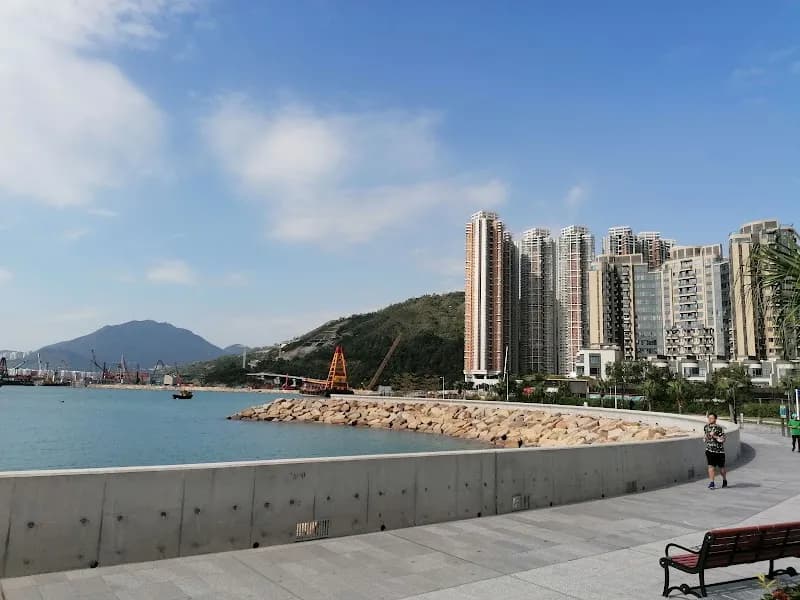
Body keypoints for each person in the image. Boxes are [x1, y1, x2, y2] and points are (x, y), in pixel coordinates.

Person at [704, 413, 727, 489]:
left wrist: (714, 436)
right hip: (709, 450)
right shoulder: (706, 427)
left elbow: (723, 439)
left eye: (712, 418)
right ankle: (712, 483)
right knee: (711, 466)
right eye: (709, 418)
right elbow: (705, 437)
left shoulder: (719, 428)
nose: (710, 419)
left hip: (719, 451)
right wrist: (706, 437)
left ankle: (724, 480)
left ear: (715, 419)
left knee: (721, 468)